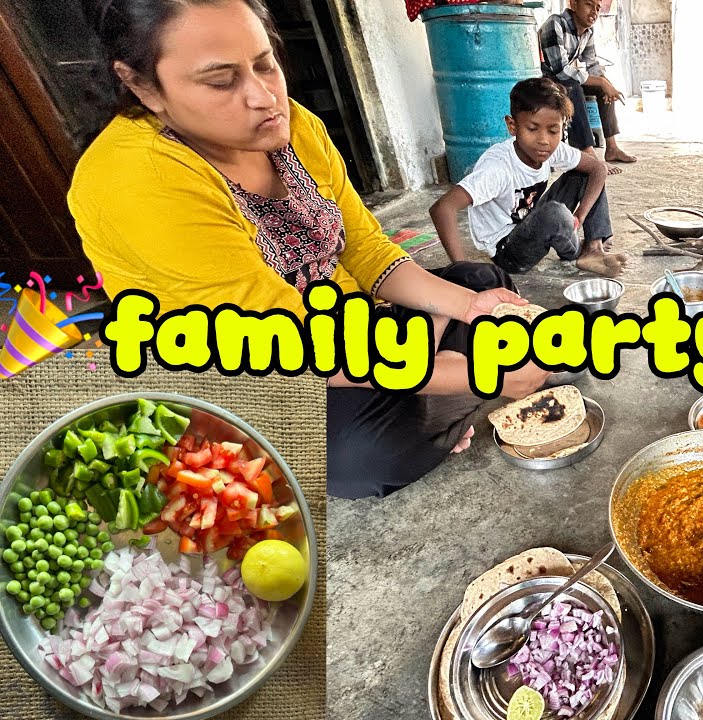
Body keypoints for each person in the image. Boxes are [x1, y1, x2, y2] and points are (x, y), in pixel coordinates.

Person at [69, 0, 550, 498]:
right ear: (142, 85)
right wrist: (480, 374)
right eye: (221, 81)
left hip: (349, 325)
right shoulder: (135, 181)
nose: (263, 97)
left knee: (482, 285)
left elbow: (365, 248)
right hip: (266, 367)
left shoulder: (292, 126)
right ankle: (436, 386)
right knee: (364, 459)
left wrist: (467, 308)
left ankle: (434, 386)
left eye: (264, 64)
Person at [430, 78, 626, 278]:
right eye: (532, 129)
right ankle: (576, 251)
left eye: (553, 130)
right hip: (507, 250)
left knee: (582, 175)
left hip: (531, 219)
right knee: (554, 214)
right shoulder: (497, 168)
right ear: (512, 126)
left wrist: (580, 216)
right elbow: (442, 208)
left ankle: (593, 249)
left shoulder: (553, 148)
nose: (543, 140)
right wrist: (463, 270)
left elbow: (597, 169)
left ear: (562, 128)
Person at [539, 0, 635, 172]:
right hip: (542, 81)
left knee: (602, 87)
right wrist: (602, 82)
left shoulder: (587, 32)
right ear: (574, 5)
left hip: (563, 80)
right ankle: (587, 152)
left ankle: (611, 147)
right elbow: (560, 71)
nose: (594, 11)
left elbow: (592, 64)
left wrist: (606, 83)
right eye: (589, 5)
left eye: (597, 8)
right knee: (573, 87)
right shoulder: (555, 23)